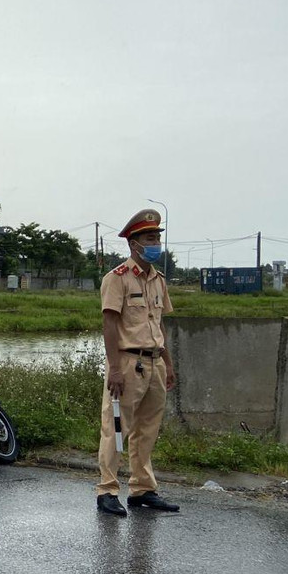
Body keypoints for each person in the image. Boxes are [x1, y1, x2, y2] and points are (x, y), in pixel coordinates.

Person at [95, 209, 180, 516]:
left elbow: (159, 325)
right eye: (149, 237)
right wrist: (114, 368)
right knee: (116, 428)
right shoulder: (116, 279)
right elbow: (110, 325)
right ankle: (107, 490)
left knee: (148, 429)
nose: (155, 242)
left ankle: (142, 489)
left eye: (157, 236)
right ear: (133, 244)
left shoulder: (159, 280)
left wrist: (168, 364)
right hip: (128, 364)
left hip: (154, 363)